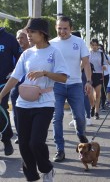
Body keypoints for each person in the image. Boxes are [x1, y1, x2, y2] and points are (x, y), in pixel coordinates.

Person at [0, 18, 69, 181]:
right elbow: (15, 77)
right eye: (27, 32)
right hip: (23, 104)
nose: (28, 35)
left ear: (42, 33)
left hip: (44, 103)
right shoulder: (27, 53)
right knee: (23, 144)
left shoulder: (54, 52)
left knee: (36, 142)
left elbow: (63, 77)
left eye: (32, 32)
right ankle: (31, 176)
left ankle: (47, 169)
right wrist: (1, 94)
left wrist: (45, 72)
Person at [50, 16, 92, 162]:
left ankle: (81, 134)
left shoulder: (79, 42)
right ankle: (60, 149)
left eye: (65, 28)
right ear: (56, 28)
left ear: (71, 29)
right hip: (56, 86)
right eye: (59, 28)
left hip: (75, 84)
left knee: (80, 116)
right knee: (57, 117)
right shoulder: (51, 44)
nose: (62, 31)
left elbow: (86, 63)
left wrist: (89, 82)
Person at [0, 26, 22, 156]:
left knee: (1, 108)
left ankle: (6, 139)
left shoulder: (9, 39)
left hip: (4, 82)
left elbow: (20, 58)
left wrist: (14, 73)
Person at [11, 29, 31, 144]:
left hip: (31, 87)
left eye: (22, 37)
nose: (19, 40)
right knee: (16, 111)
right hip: (17, 85)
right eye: (18, 38)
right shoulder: (15, 51)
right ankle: (21, 134)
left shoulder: (33, 51)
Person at [88, 39, 107, 119]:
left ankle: (96, 112)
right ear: (90, 46)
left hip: (99, 74)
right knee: (90, 94)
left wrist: (104, 67)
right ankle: (92, 106)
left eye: (96, 45)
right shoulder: (88, 53)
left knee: (98, 94)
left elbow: (105, 64)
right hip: (90, 75)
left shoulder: (101, 54)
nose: (94, 47)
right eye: (93, 45)